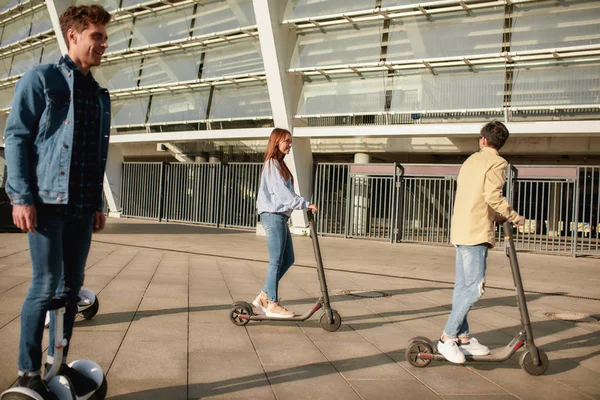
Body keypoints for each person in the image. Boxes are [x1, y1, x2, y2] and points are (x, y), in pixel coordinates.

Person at [4, 5, 111, 398]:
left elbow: (93, 153)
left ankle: (58, 363)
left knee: (71, 288)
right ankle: (27, 372)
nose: (103, 43)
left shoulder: (100, 94)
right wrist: (20, 197)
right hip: (46, 203)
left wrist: (97, 203)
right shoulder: (42, 79)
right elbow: (15, 137)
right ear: (73, 36)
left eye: (104, 36)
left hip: (82, 206)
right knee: (45, 286)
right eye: (96, 36)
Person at [437, 121, 525, 364]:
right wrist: (515, 217)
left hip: (461, 229)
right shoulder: (498, 163)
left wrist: (495, 213)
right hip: (476, 232)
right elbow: (492, 196)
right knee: (475, 288)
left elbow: (475, 195)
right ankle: (447, 337)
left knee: (462, 287)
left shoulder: (471, 161)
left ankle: (463, 339)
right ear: (500, 143)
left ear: (483, 140)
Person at [253, 128, 318, 318]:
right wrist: (304, 204)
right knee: (276, 261)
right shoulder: (272, 164)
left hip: (280, 216)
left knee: (288, 258)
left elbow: (288, 194)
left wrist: (303, 202)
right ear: (276, 142)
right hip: (273, 215)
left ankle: (264, 296)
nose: (290, 145)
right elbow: (282, 194)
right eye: (286, 141)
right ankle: (272, 303)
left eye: (290, 142)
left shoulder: (279, 165)